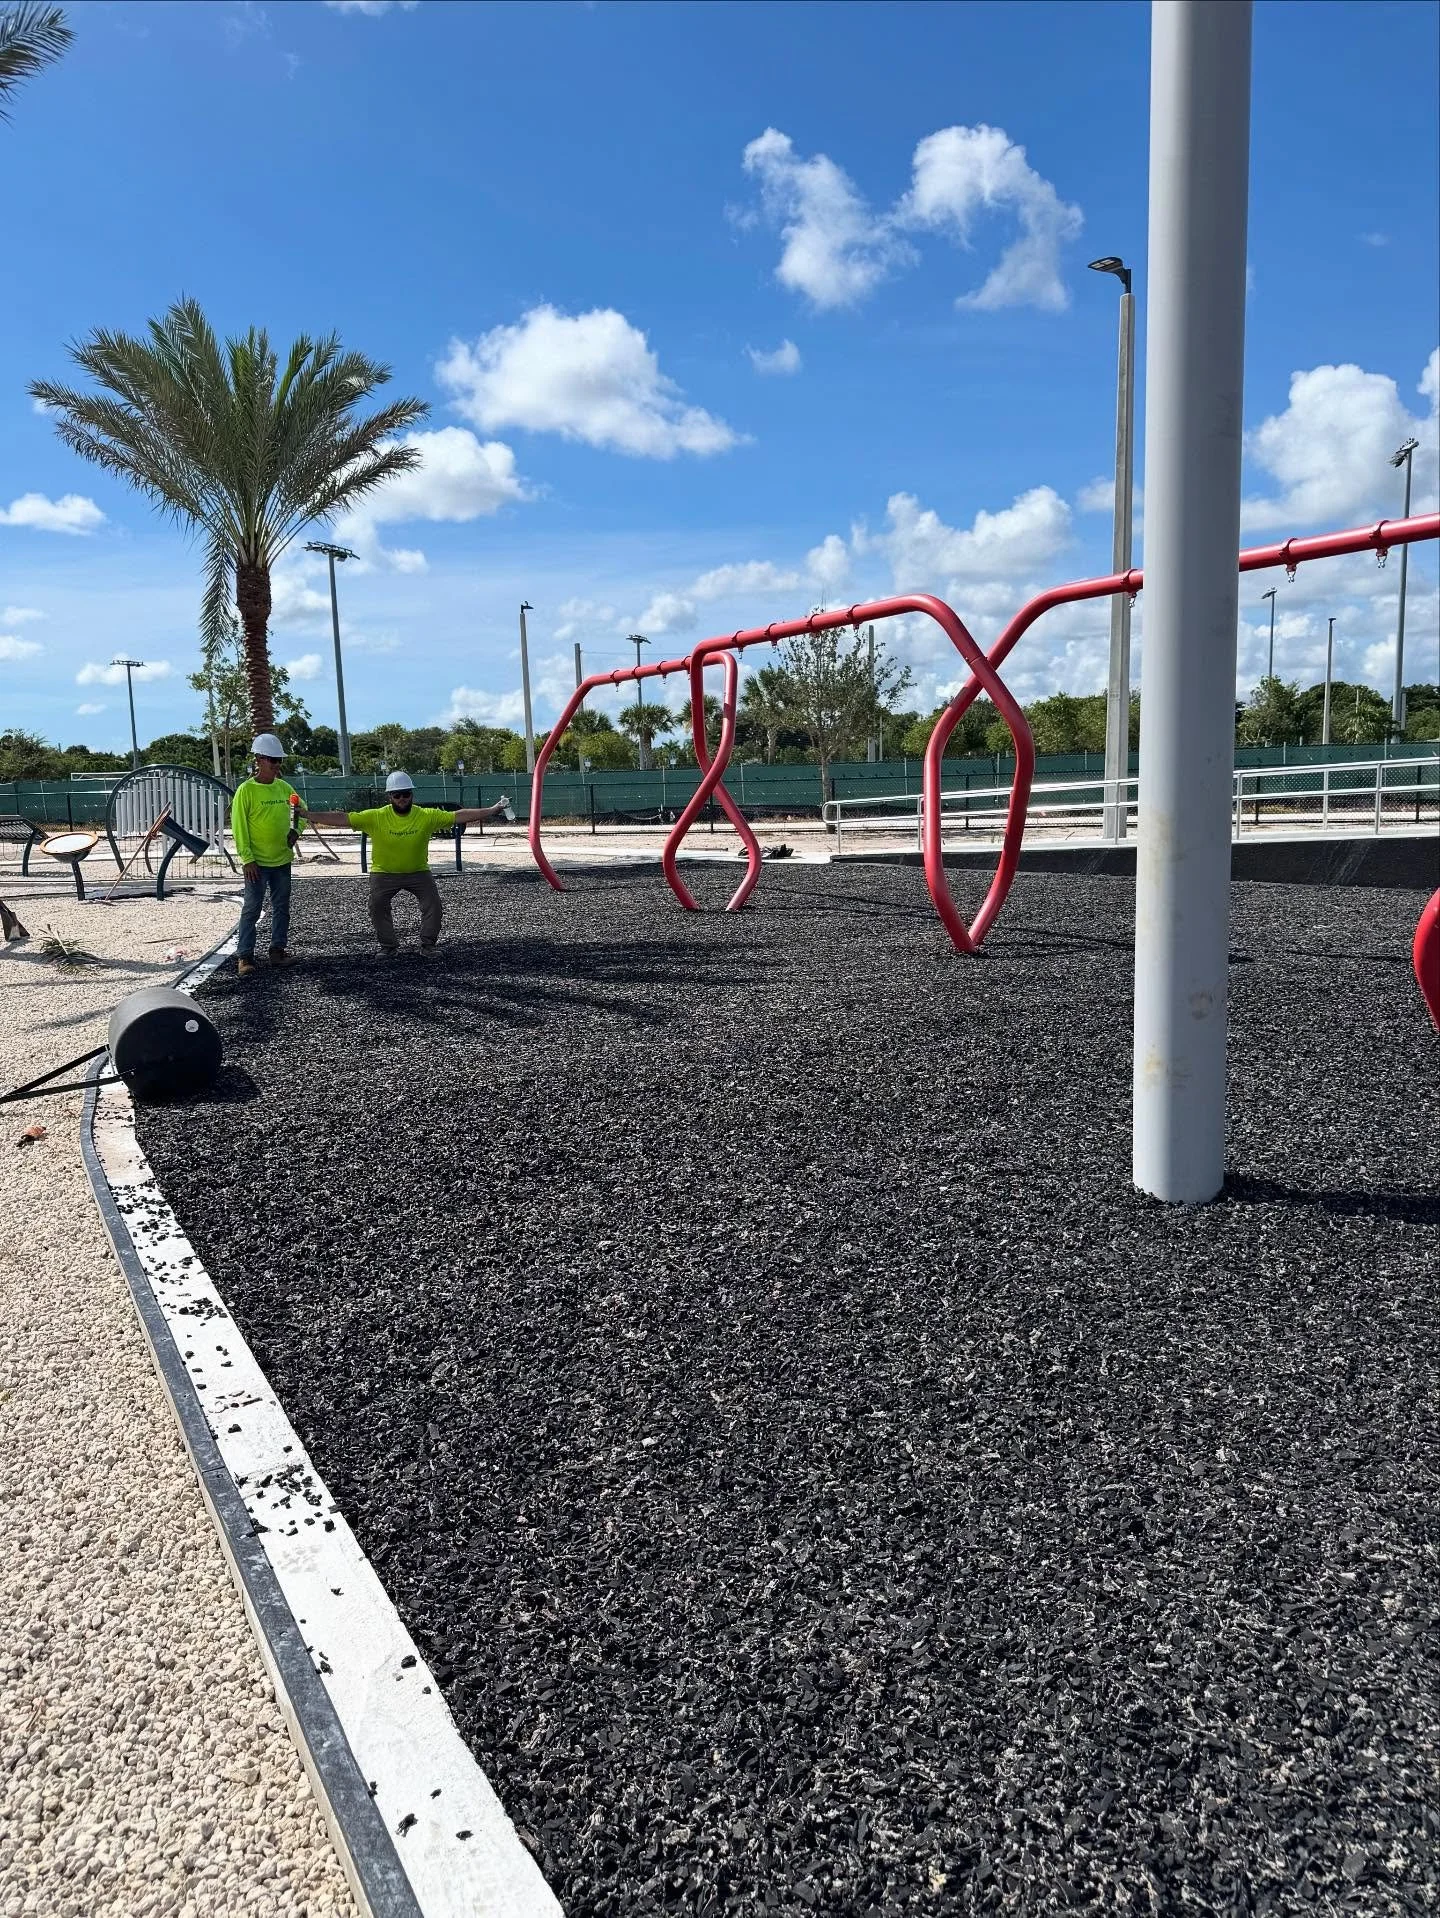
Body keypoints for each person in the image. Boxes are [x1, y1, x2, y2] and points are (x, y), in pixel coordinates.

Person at [308, 772, 510, 954]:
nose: (402, 798)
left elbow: (459, 815)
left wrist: (493, 809)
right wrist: (309, 815)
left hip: (418, 872)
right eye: (397, 795)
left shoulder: (425, 816)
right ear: (389, 797)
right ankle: (388, 947)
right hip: (384, 874)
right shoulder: (376, 817)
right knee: (377, 905)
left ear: (412, 794)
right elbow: (343, 818)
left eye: (406, 794)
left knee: (433, 905)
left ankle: (428, 945)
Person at [231, 733, 306, 977]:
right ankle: (245, 956)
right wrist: (247, 859)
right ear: (259, 760)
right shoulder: (246, 791)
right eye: (272, 760)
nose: (276, 765)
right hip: (258, 864)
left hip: (282, 861)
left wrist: (296, 830)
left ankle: (277, 951)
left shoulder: (284, 788)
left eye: (279, 761)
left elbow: (301, 809)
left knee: (281, 907)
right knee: (252, 909)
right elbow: (239, 826)